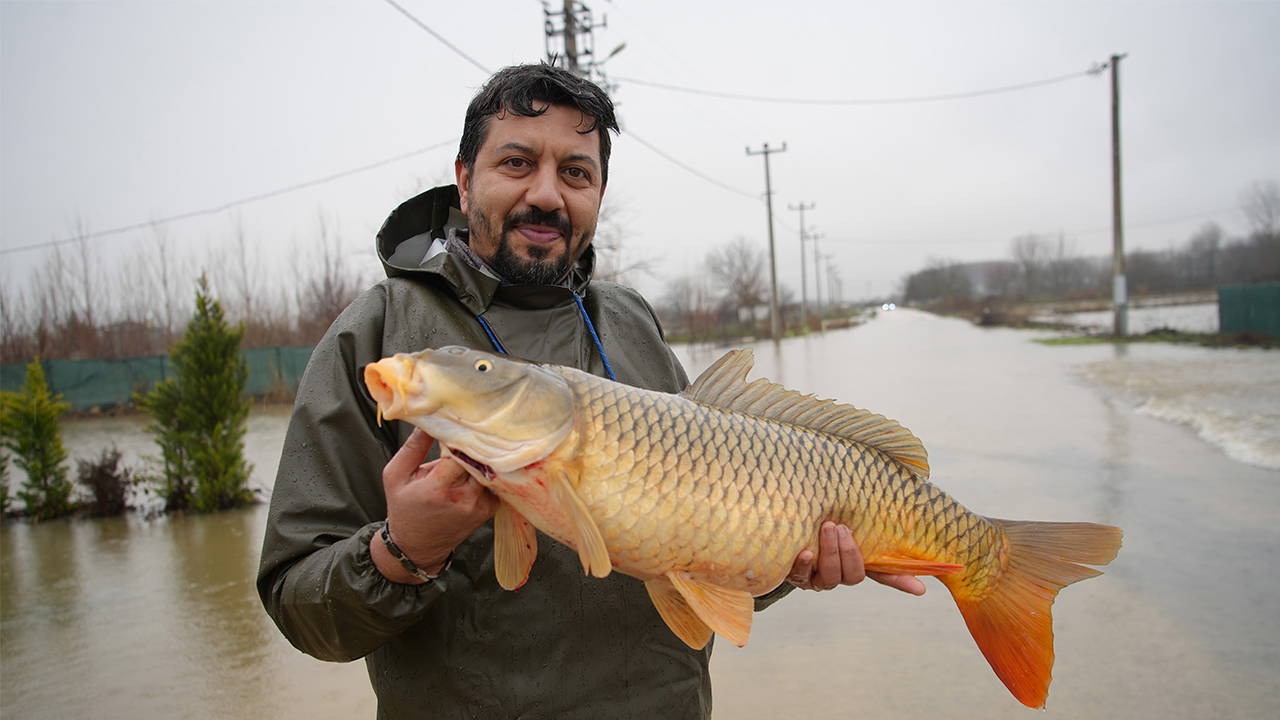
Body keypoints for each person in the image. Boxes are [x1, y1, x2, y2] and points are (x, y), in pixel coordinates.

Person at [256, 62, 923, 719]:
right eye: (517, 163)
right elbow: (299, 608)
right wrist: (403, 550)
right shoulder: (379, 334)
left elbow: (705, 546)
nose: (547, 194)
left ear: (598, 194)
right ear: (464, 181)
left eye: (576, 173)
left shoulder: (630, 319)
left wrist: (786, 564)